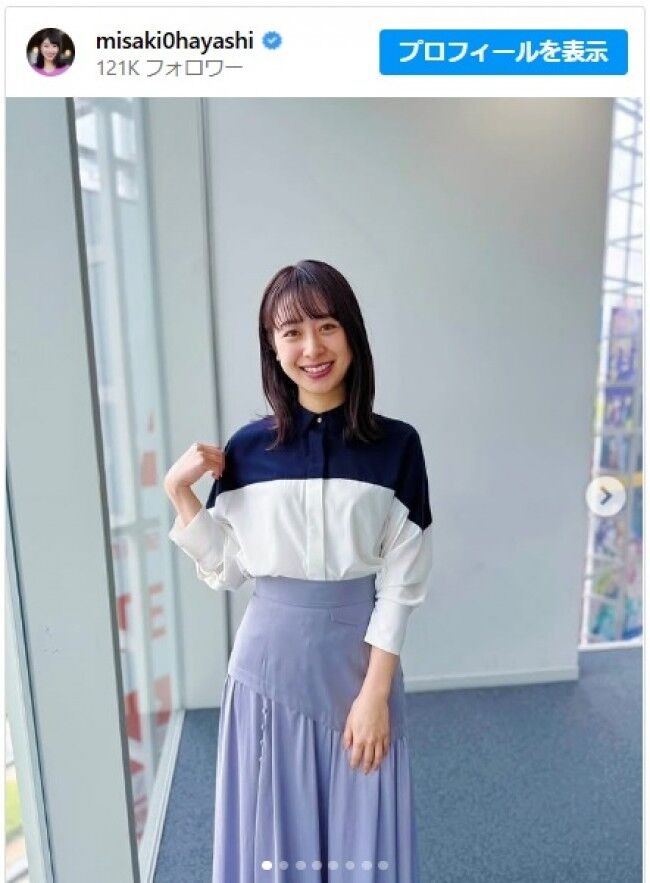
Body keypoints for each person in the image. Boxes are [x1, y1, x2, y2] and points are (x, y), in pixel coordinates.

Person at [165, 259, 433, 882]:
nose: (312, 348)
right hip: (267, 670)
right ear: (273, 346)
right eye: (292, 332)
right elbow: (230, 568)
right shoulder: (248, 449)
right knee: (273, 841)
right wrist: (180, 495)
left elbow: (401, 583)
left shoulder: (398, 446)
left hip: (358, 670)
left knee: (362, 841)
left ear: (352, 336)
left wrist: (375, 694)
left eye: (327, 326)